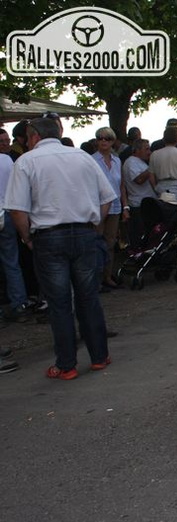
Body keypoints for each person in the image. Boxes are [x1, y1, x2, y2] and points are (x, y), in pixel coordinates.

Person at [5, 117, 116, 379]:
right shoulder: (83, 157)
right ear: (60, 132)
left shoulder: (27, 161)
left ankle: (66, 365)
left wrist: (27, 237)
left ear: (33, 137)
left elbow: (17, 209)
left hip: (49, 236)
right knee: (89, 298)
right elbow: (107, 197)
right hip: (85, 232)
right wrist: (96, 227)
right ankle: (99, 356)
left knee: (59, 303)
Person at [92, 127, 128, 290]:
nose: (103, 141)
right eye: (100, 138)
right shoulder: (91, 160)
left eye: (107, 138)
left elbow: (121, 185)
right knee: (96, 242)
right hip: (97, 206)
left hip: (114, 206)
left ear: (113, 141)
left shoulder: (117, 160)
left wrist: (125, 205)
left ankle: (107, 276)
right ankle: (96, 278)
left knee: (110, 243)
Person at [0, 147, 30, 322]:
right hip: (8, 212)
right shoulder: (6, 160)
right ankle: (19, 303)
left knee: (11, 261)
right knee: (11, 262)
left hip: (7, 211)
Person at [122, 138, 157, 249]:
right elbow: (138, 180)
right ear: (137, 150)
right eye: (146, 149)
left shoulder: (140, 162)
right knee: (140, 235)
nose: (149, 152)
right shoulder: (131, 162)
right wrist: (151, 168)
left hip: (145, 203)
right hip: (139, 204)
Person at [149, 127, 177, 198]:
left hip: (161, 186)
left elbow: (151, 175)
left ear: (164, 139)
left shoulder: (154, 154)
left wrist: (155, 188)